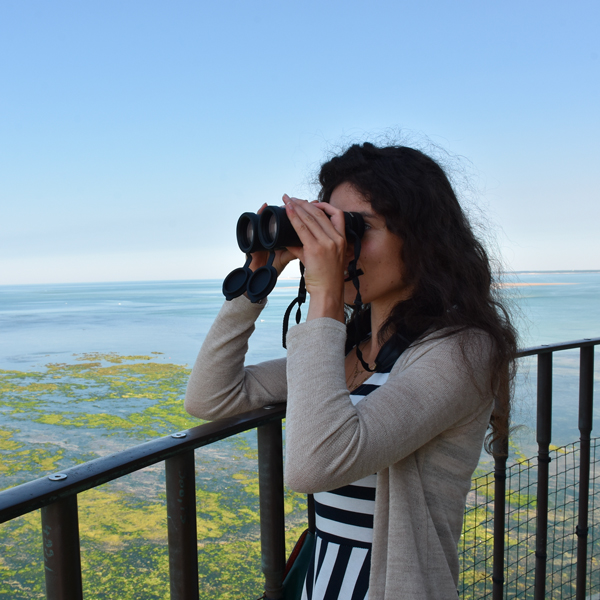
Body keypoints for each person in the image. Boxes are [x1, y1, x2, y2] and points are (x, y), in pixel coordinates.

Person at [185, 142, 517, 600]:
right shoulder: (352, 352)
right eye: (328, 227)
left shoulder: (460, 351)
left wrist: (324, 295)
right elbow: (209, 396)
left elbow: (315, 465)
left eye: (355, 228)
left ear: (422, 241)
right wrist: (257, 280)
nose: (338, 247)